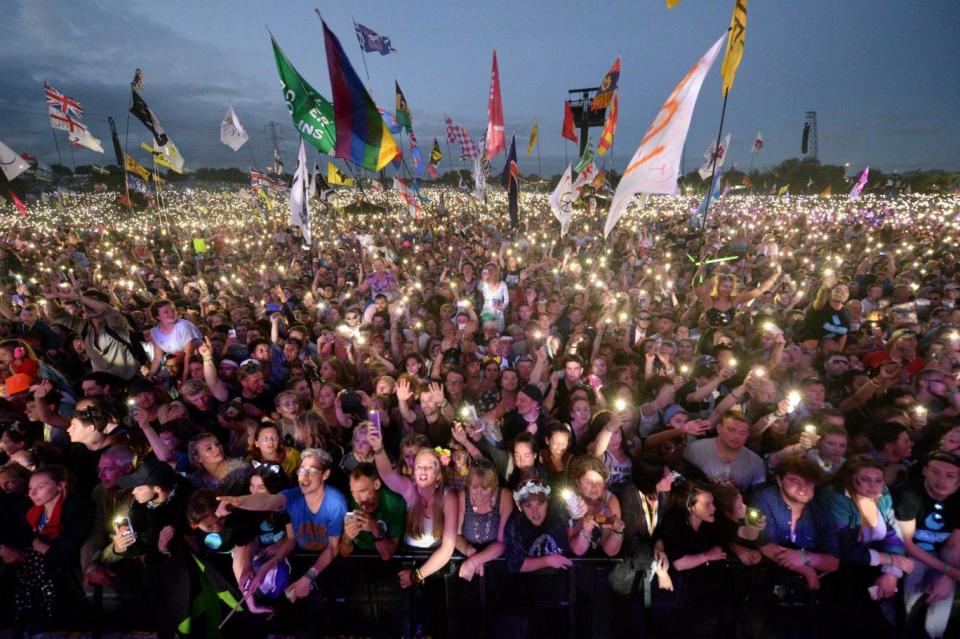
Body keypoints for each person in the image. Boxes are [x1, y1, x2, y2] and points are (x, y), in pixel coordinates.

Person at [217, 448, 347, 603]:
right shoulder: (292, 495)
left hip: (327, 560)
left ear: (325, 475)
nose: (304, 475)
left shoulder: (335, 503)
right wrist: (237, 502)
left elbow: (333, 547)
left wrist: (308, 578)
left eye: (312, 470)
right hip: (298, 556)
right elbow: (268, 501)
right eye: (302, 470)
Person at [821, 455, 913, 637]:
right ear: (849, 479)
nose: (874, 486)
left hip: (870, 559)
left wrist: (891, 571)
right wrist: (891, 559)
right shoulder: (835, 497)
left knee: (897, 585)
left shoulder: (883, 494)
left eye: (878, 480)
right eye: (865, 480)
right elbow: (841, 547)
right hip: (839, 562)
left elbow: (892, 534)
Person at [0, 466, 93, 634]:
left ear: (61, 485)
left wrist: (40, 547)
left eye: (40, 487)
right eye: (30, 488)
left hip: (66, 574)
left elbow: (68, 548)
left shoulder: (76, 507)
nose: (32, 493)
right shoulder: (33, 513)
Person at [368, 427, 457, 588]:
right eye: (418, 466)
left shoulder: (447, 497)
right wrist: (378, 449)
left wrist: (417, 576)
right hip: (410, 558)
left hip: (437, 562)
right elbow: (387, 475)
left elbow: (447, 548)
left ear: (438, 473)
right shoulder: (410, 489)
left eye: (429, 466)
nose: (422, 470)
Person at [893, 452, 960, 639]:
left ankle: (934, 633)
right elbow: (907, 542)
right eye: (935, 472)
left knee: (943, 596)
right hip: (913, 551)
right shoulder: (909, 493)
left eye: (950, 475)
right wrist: (951, 571)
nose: (941, 479)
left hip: (945, 555)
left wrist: (948, 576)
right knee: (914, 572)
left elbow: (954, 546)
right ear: (925, 471)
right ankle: (905, 624)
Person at [503, 479, 578, 573]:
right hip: (529, 584)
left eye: (540, 504)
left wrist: (577, 516)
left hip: (563, 581)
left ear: (547, 503)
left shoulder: (560, 516)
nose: (535, 511)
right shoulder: (515, 524)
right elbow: (515, 564)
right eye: (528, 506)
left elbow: (576, 548)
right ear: (521, 507)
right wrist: (547, 561)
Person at [455, 459, 512, 581]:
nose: (479, 494)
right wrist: (469, 550)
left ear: (493, 486)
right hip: (466, 560)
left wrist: (474, 561)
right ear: (468, 485)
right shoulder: (463, 496)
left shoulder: (504, 496)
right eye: (474, 488)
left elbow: (501, 543)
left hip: (495, 563)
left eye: (485, 488)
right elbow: (456, 536)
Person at [683, 411, 766, 492]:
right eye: (731, 430)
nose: (736, 436)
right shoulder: (694, 450)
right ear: (719, 428)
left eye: (743, 433)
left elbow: (758, 495)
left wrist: (735, 494)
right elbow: (680, 481)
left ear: (748, 435)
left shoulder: (756, 462)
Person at [339, 462, 405, 561]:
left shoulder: (394, 503)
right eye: (353, 492)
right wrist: (347, 538)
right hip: (356, 559)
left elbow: (387, 555)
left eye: (362, 491)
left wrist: (375, 529)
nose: (357, 498)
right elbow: (344, 553)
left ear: (376, 484)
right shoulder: (346, 503)